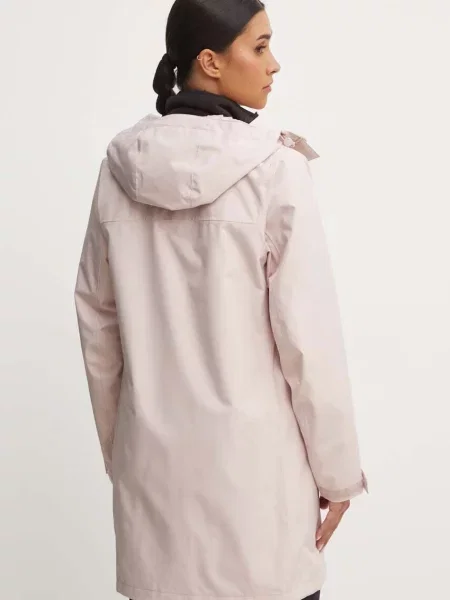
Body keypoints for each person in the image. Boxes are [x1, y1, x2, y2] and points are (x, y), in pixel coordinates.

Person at [74, 1, 368, 599]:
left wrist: (126, 455)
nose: (274, 64)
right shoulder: (276, 171)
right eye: (259, 47)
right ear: (209, 62)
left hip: (156, 500)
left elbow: (97, 329)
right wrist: (338, 475)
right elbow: (309, 343)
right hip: (261, 509)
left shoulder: (118, 170)